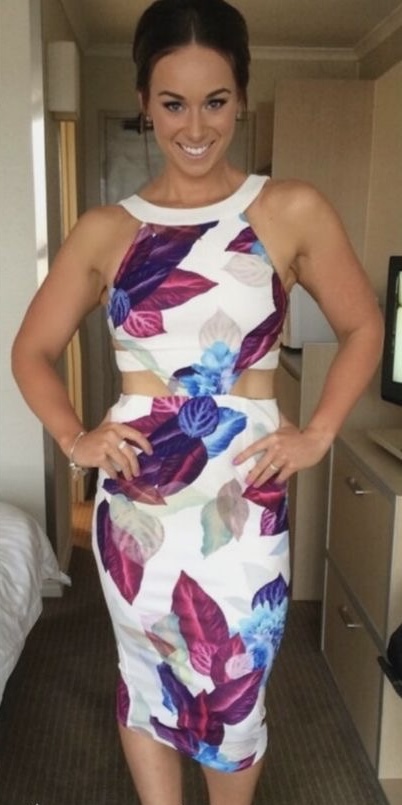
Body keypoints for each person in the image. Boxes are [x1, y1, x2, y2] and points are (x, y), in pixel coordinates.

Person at [12, 0, 384, 803]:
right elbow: (30, 350)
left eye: (214, 101)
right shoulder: (106, 229)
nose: (194, 125)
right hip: (136, 501)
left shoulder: (289, 209)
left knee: (235, 695)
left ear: (240, 97)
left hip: (244, 496)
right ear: (145, 103)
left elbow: (364, 325)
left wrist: (318, 431)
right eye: (173, 103)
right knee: (145, 678)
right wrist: (75, 438)